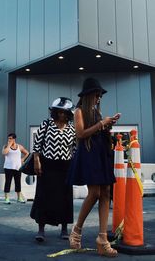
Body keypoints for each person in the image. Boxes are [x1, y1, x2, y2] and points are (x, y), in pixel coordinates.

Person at [67, 77, 120, 258]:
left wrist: (108, 124)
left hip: (101, 153)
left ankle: (102, 239)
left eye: (100, 95)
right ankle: (77, 230)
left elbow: (98, 130)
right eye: (97, 95)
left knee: (106, 192)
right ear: (89, 95)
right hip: (89, 154)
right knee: (95, 193)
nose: (99, 98)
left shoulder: (96, 112)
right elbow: (80, 133)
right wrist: (102, 124)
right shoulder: (79, 111)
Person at [30, 97, 76, 242]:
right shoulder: (47, 124)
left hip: (65, 166)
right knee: (44, 196)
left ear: (69, 113)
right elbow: (37, 144)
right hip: (47, 165)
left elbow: (74, 148)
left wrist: (75, 166)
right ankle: (41, 230)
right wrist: (37, 161)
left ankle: (64, 229)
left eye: (65, 112)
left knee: (65, 197)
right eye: (59, 112)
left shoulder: (72, 127)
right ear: (54, 112)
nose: (62, 115)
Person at [2, 133, 29, 204]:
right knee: (8, 182)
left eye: (11, 138)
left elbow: (27, 153)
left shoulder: (19, 146)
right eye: (8, 138)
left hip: (17, 167)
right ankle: (7, 198)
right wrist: (9, 145)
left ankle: (19, 198)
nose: (9, 140)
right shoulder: (6, 146)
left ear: (14, 139)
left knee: (18, 183)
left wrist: (23, 159)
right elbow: (4, 153)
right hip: (8, 167)